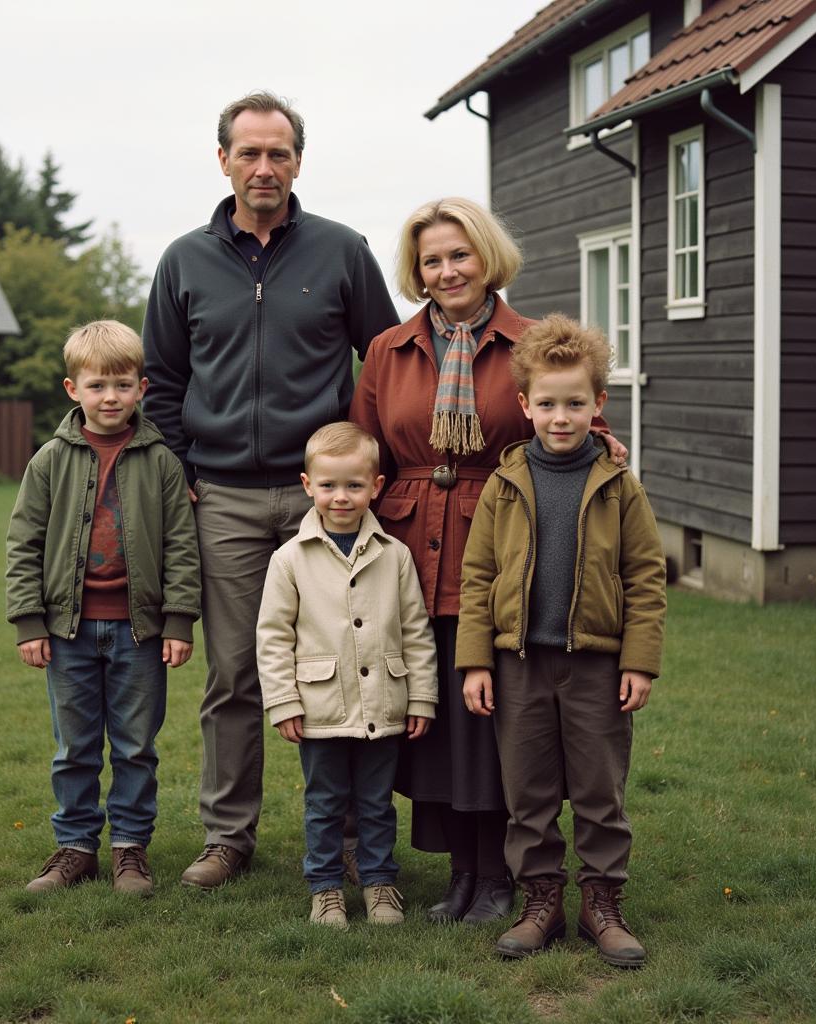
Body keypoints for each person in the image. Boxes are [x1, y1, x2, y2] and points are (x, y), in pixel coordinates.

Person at [142, 92, 399, 889]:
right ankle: (229, 837)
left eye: (278, 153)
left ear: (297, 160)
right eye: (248, 153)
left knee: (350, 658)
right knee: (234, 675)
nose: (264, 167)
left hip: (327, 503)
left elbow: (388, 364)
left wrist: (357, 470)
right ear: (222, 159)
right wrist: (184, 470)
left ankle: (357, 838)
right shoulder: (185, 260)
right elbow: (160, 381)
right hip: (221, 499)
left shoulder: (341, 252)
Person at [350, 198, 625, 924]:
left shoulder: (531, 339)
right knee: (437, 718)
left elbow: (577, 425)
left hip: (507, 546)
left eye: (459, 255)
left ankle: (504, 873)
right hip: (410, 551)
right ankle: (460, 874)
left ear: (487, 257)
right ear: (417, 271)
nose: (447, 271)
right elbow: (365, 445)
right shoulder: (388, 349)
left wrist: (609, 444)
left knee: (496, 715)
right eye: (432, 260)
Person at [456, 314, 665, 966]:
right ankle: (540, 900)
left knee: (601, 792)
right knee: (529, 792)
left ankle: (602, 903)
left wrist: (640, 662)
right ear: (524, 405)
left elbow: (646, 577)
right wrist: (475, 662)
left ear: (598, 403)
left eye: (575, 403)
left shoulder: (618, 486)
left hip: (598, 666)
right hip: (519, 664)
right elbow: (477, 576)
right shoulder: (505, 484)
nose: (561, 417)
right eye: (547, 404)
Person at [6, 320, 200, 897]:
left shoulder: (162, 460)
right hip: (68, 630)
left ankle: (130, 850)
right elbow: (23, 541)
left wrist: (179, 619)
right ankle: (75, 847)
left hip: (140, 632)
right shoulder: (49, 460)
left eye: (121, 384)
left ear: (142, 388)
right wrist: (28, 621)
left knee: (137, 745)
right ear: (73, 390)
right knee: (75, 747)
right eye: (97, 386)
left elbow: (182, 546)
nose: (109, 397)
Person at [255, 422, 437, 928]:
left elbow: (416, 630)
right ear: (308, 484)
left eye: (354, 485)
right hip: (320, 708)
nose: (341, 497)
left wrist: (421, 697)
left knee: (377, 803)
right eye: (329, 485)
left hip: (383, 703)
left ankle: (380, 884)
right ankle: (326, 888)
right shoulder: (288, 559)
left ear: (376, 486)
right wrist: (284, 702)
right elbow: (273, 637)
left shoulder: (394, 555)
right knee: (324, 803)